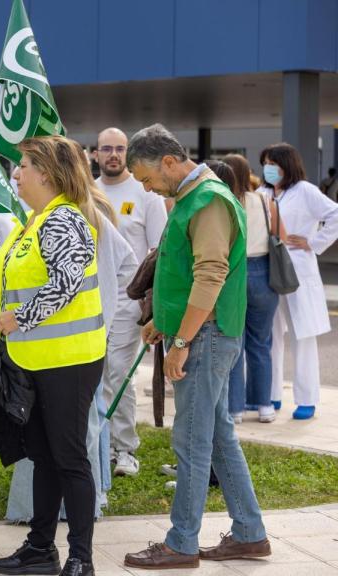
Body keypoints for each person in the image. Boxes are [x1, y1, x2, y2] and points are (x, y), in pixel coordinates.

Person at [122, 124, 269, 570]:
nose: (146, 187)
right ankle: (249, 534)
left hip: (205, 337)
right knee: (218, 436)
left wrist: (181, 340)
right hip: (202, 333)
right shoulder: (196, 196)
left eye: (147, 178)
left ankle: (181, 544)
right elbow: (188, 273)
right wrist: (162, 325)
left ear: (169, 160)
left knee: (191, 441)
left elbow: (210, 274)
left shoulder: (207, 199)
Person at [0, 136, 104, 576]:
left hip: (69, 359)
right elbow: (12, 275)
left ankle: (81, 558)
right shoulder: (36, 220)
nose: (16, 173)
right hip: (39, 359)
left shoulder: (62, 219)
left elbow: (65, 282)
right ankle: (40, 548)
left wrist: (21, 318)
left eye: (23, 165)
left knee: (68, 457)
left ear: (46, 173)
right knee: (45, 457)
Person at [93, 127, 168, 477]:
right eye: (106, 148)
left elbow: (159, 251)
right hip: (91, 300)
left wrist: (151, 304)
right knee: (96, 375)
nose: (113, 154)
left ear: (128, 154)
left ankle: (126, 448)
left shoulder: (144, 193)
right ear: (95, 153)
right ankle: (101, 444)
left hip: (127, 302)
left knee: (120, 373)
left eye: (119, 149)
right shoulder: (87, 190)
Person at [260, 143, 338, 420]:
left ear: (286, 165)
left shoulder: (305, 191)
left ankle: (306, 399)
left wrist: (313, 242)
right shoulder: (263, 193)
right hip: (268, 268)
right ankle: (270, 395)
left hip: (297, 268)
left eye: (273, 163)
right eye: (265, 163)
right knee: (269, 335)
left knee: (301, 335)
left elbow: (335, 215)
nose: (268, 168)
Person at [213, 158, 283, 424]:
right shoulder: (266, 201)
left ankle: (235, 409)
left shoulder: (221, 202)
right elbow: (279, 236)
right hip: (263, 273)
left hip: (233, 273)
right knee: (261, 343)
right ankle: (264, 405)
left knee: (234, 343)